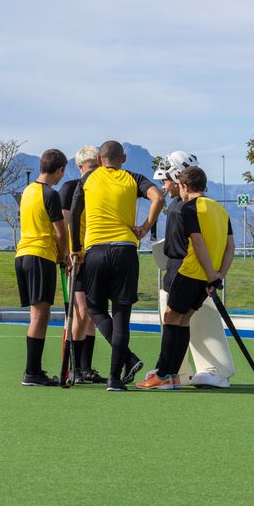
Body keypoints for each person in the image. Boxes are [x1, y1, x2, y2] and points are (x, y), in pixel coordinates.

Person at [70, 141, 164, 391]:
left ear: (100, 159)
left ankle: (128, 359)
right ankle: (114, 378)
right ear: (122, 158)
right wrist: (145, 226)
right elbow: (158, 197)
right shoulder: (133, 177)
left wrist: (75, 249)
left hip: (95, 251)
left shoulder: (87, 180)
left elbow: (75, 213)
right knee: (122, 314)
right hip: (125, 250)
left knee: (95, 309)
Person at [139, 166, 235, 389]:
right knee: (183, 321)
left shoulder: (188, 209)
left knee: (171, 318)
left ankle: (164, 376)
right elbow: (230, 247)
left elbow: (197, 242)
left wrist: (211, 273)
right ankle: (172, 375)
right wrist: (219, 275)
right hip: (206, 279)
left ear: (184, 186)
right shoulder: (220, 210)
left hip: (190, 271)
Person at [59, 145, 146, 384]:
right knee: (82, 312)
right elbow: (68, 221)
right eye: (90, 168)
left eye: (97, 167)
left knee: (90, 315)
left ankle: (87, 368)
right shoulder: (72, 187)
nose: (95, 172)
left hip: (97, 251)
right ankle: (77, 368)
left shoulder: (106, 180)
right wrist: (70, 251)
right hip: (81, 254)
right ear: (80, 167)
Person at [15, 149, 69, 386]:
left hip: (23, 255)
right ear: (59, 171)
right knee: (41, 314)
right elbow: (60, 231)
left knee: (36, 313)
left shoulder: (27, 191)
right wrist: (64, 256)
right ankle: (32, 372)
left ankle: (32, 370)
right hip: (40, 256)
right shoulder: (51, 194)